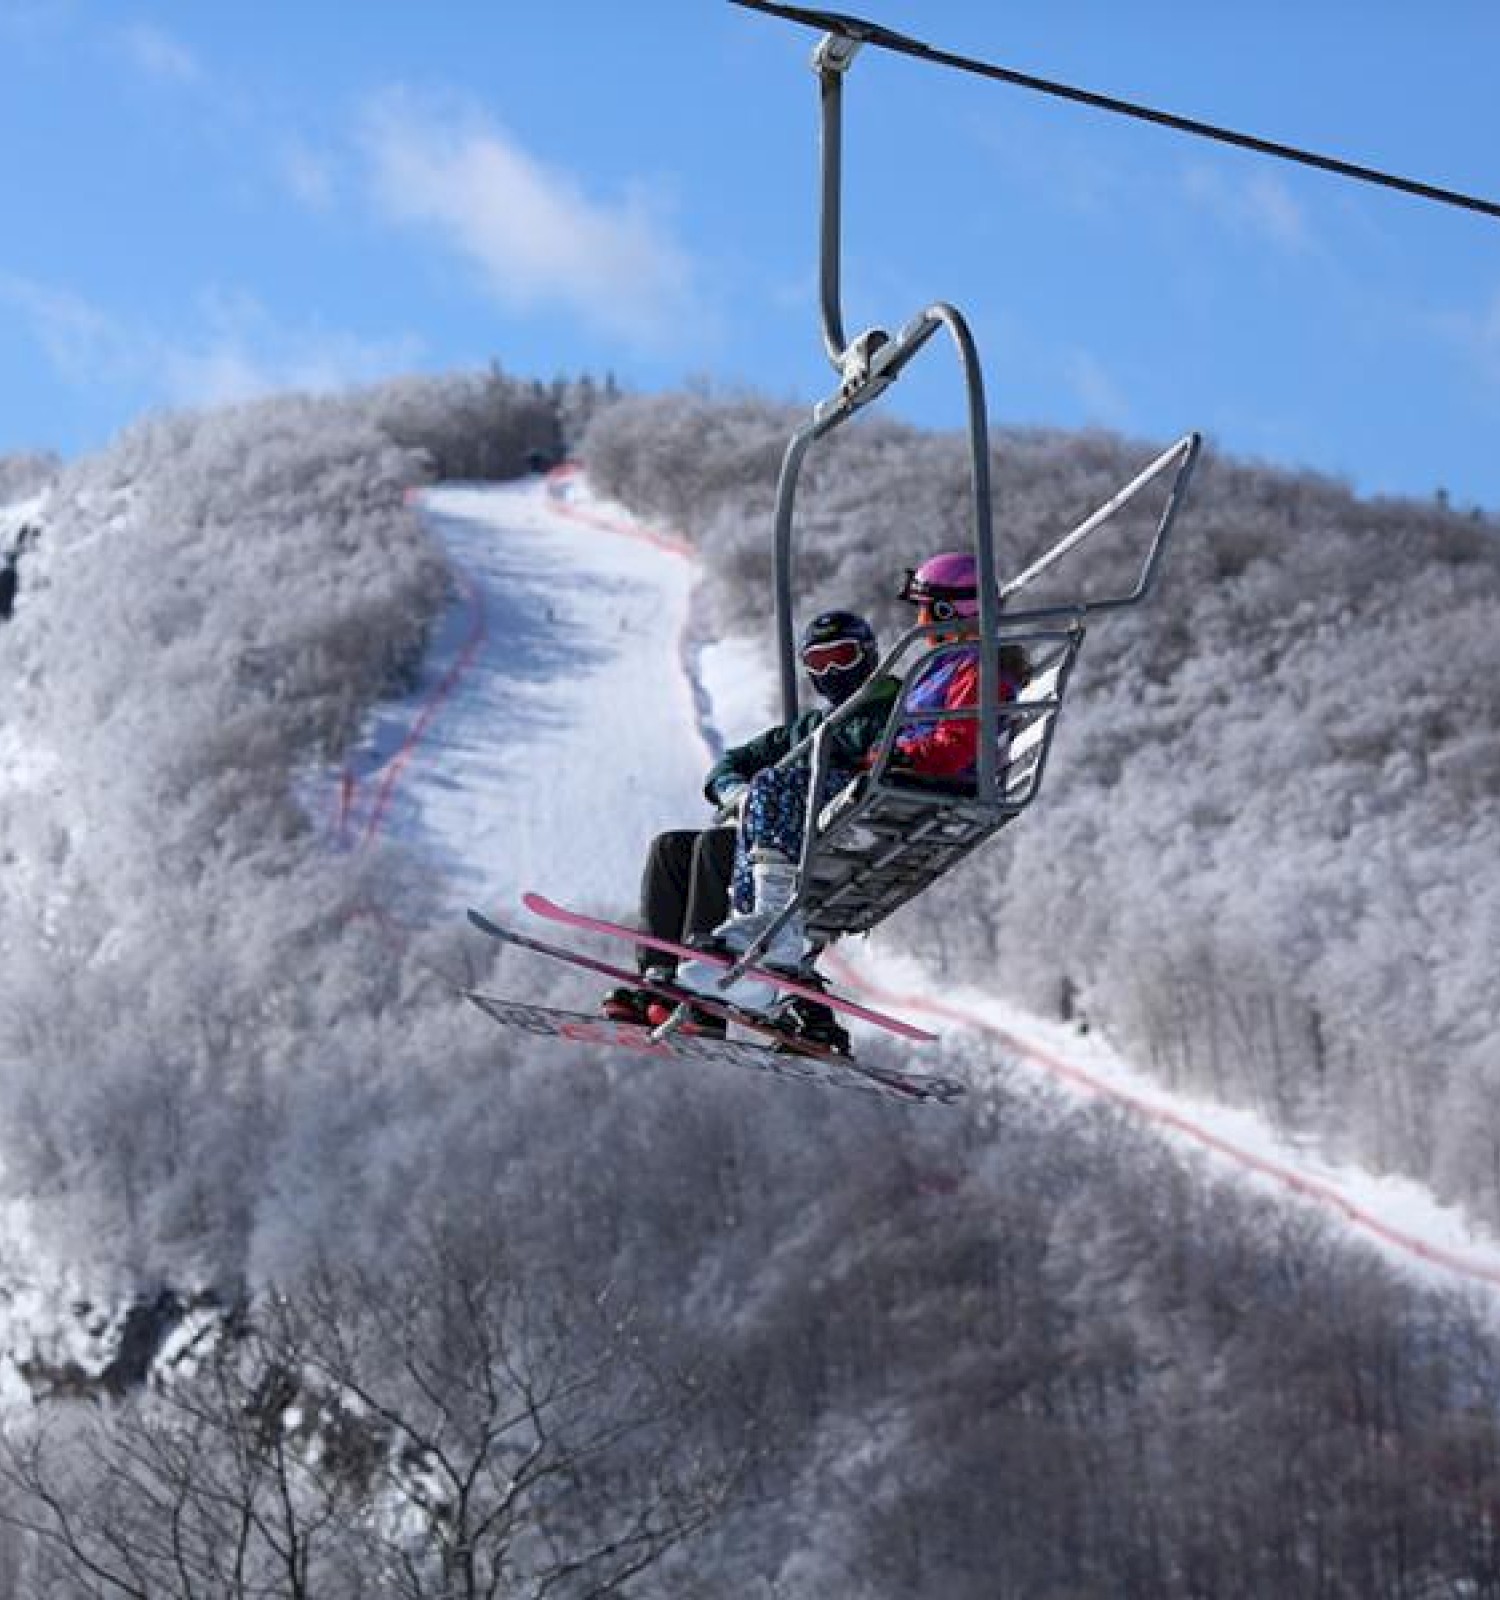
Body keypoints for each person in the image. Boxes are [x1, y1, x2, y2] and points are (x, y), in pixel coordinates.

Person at [604, 609, 899, 1048]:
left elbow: (894, 759)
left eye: (842, 657)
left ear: (868, 655)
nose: (833, 671)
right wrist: (733, 791)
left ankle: (696, 981)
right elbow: (732, 763)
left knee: (714, 847)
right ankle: (660, 973)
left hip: (817, 839)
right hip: (781, 829)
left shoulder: (890, 708)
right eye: (820, 663)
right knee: (669, 849)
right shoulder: (813, 727)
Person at [888, 550, 1031, 781]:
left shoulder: (976, 670)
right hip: (914, 766)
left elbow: (955, 745)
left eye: (925, 611)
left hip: (932, 775)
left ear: (945, 612)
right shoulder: (948, 664)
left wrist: (898, 758)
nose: (920, 622)